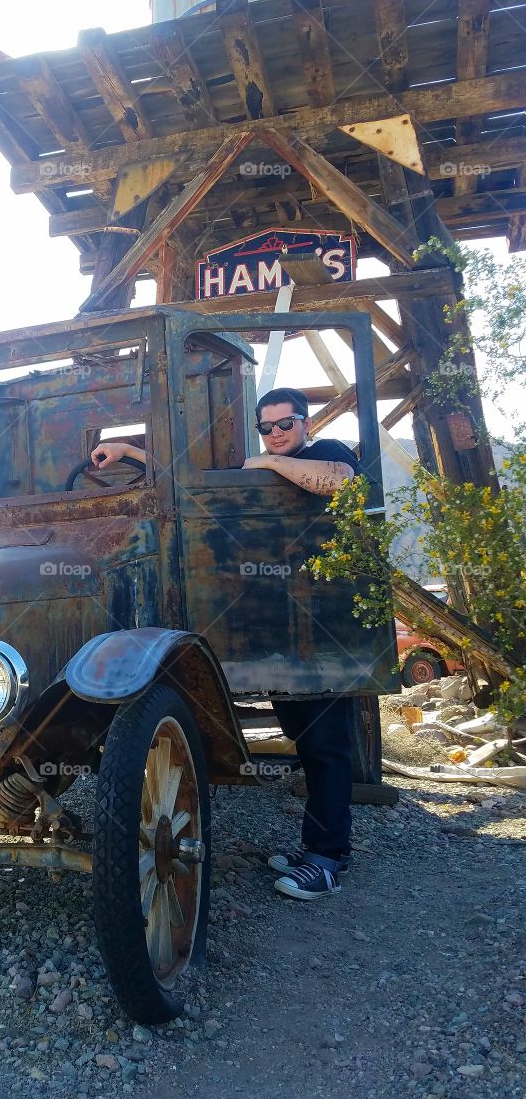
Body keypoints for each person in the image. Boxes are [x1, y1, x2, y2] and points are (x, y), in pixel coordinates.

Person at [90, 387, 360, 903]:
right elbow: (187, 473)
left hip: (321, 625)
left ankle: (328, 859)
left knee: (328, 747)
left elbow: (338, 484)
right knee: (305, 739)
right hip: (278, 627)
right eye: (268, 427)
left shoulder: (329, 455)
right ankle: (316, 847)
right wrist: (127, 451)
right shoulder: (269, 461)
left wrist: (262, 462)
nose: (278, 433)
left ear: (306, 423)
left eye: (287, 423)